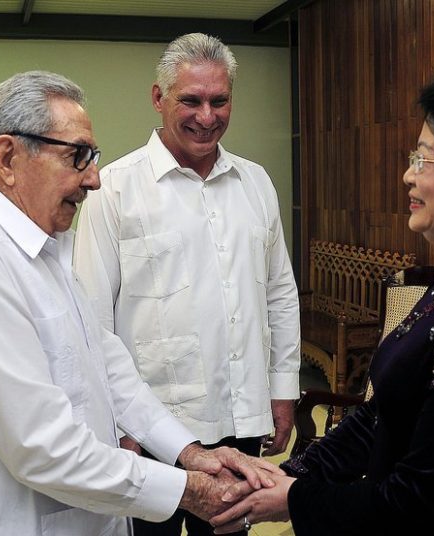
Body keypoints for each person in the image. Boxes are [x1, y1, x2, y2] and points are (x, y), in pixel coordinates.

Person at [0, 71, 280, 536]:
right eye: (78, 156)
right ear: (8, 156)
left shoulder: (45, 247)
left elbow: (108, 368)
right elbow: (42, 447)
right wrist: (189, 490)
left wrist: (190, 452)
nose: (94, 179)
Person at [210, 73, 434, 535]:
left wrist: (292, 498)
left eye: (424, 158)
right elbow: (384, 413)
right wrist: (291, 475)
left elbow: (421, 504)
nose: (408, 173)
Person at [73, 32, 300, 536]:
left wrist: (282, 391)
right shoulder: (113, 189)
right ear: (159, 98)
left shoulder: (255, 182)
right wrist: (119, 423)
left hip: (240, 414)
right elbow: (92, 316)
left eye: (219, 100)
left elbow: (279, 293)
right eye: (190, 100)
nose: (207, 115)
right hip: (154, 426)